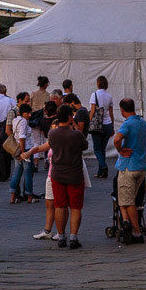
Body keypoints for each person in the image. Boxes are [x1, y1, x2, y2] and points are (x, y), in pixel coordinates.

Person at [26, 104, 87, 250]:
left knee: (59, 205)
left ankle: (61, 236)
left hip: (57, 174)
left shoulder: (52, 134)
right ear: (70, 117)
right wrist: (75, 128)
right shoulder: (76, 135)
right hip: (74, 174)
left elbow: (47, 146)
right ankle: (73, 237)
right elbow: (84, 146)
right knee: (75, 207)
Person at [113, 98, 146, 243]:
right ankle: (127, 222)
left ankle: (136, 232)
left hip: (128, 166)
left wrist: (120, 150)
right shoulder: (144, 123)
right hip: (141, 166)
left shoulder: (128, 124)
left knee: (128, 202)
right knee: (130, 200)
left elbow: (117, 139)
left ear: (122, 110)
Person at [89, 75, 114, 179]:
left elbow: (92, 111)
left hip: (97, 125)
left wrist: (89, 122)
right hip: (108, 124)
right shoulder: (109, 96)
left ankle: (103, 167)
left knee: (97, 149)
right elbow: (111, 113)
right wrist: (112, 126)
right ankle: (101, 172)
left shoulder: (94, 95)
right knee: (102, 149)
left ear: (98, 83)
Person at [9, 102, 35, 203]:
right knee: (28, 173)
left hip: (16, 150)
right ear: (23, 113)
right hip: (25, 149)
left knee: (17, 173)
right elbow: (22, 137)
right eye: (28, 113)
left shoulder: (15, 120)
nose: (30, 115)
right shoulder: (23, 122)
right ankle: (29, 195)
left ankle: (12, 195)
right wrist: (24, 152)